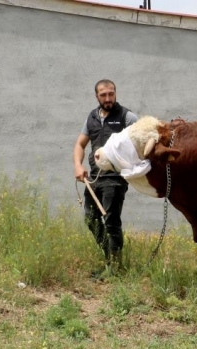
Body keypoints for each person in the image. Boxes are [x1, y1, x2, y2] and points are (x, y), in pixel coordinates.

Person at [73, 79, 138, 267]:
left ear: (115, 94)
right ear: (97, 96)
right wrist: (78, 165)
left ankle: (115, 267)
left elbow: (140, 143)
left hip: (115, 179)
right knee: (91, 219)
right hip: (93, 178)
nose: (108, 98)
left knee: (111, 222)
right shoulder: (91, 118)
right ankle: (110, 257)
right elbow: (80, 144)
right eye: (103, 95)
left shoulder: (127, 117)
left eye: (111, 94)